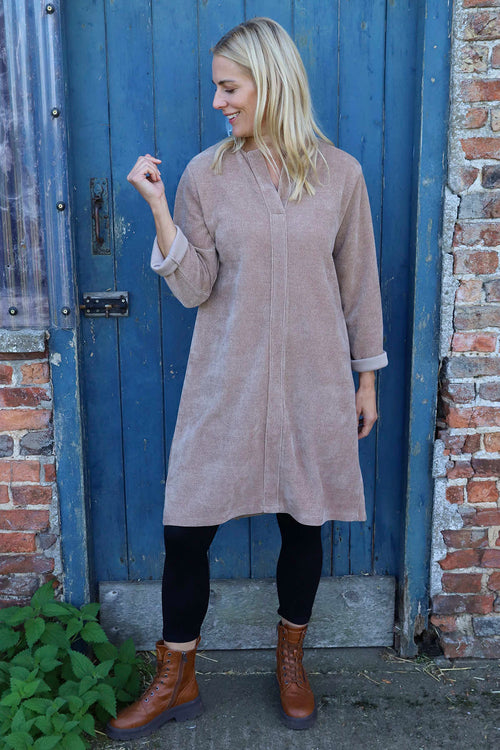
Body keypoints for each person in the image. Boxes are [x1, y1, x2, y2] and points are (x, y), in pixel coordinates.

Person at [106, 17, 388, 740]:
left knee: (304, 523)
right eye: (217, 88)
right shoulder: (206, 175)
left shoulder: (341, 175)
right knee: (184, 532)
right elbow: (196, 286)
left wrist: (365, 379)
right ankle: (177, 678)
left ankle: (291, 661)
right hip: (224, 382)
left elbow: (359, 286)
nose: (218, 102)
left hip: (312, 384)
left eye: (229, 87)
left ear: (271, 82)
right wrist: (159, 209)